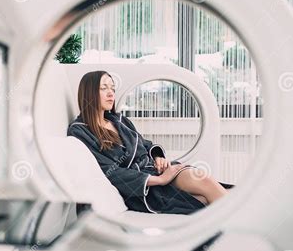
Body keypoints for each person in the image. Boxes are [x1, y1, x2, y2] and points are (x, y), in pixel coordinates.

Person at [67, 71, 229, 214]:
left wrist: (158, 157)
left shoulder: (120, 121)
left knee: (204, 181)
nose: (110, 93)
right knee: (202, 200)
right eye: (104, 88)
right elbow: (109, 172)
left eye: (112, 88)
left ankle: (239, 229)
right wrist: (160, 180)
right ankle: (238, 229)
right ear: (88, 92)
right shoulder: (80, 131)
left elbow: (145, 144)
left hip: (155, 169)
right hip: (141, 187)